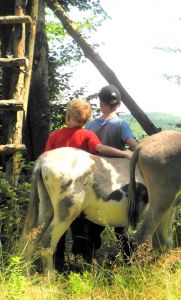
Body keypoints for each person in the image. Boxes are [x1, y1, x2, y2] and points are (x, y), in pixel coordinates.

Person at [46, 98, 132, 271]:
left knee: (60, 226)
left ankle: (59, 265)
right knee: (82, 227)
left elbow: (47, 159)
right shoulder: (86, 135)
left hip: (57, 191)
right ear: (86, 120)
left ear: (68, 116)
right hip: (80, 191)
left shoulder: (54, 136)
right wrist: (124, 154)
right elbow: (100, 149)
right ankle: (84, 264)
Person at [68, 85, 139, 267]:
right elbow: (133, 145)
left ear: (101, 104)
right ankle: (128, 261)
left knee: (89, 222)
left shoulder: (90, 126)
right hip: (116, 181)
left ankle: (84, 261)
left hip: (92, 180)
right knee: (121, 226)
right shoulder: (121, 124)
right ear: (118, 104)